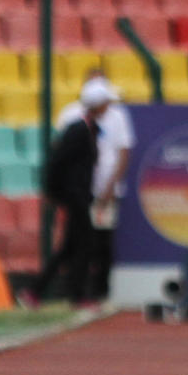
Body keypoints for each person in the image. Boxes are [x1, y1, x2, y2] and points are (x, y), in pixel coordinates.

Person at [31, 76, 112, 305]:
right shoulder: (78, 130)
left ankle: (37, 291)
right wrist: (52, 192)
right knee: (83, 245)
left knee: (70, 247)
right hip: (75, 195)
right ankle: (76, 294)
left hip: (79, 195)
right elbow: (57, 161)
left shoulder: (88, 129)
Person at [55, 72, 134, 303]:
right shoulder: (72, 116)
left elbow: (123, 152)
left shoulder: (117, 116)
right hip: (80, 191)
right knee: (76, 241)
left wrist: (110, 187)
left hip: (105, 190)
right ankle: (73, 289)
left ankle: (99, 290)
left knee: (103, 241)